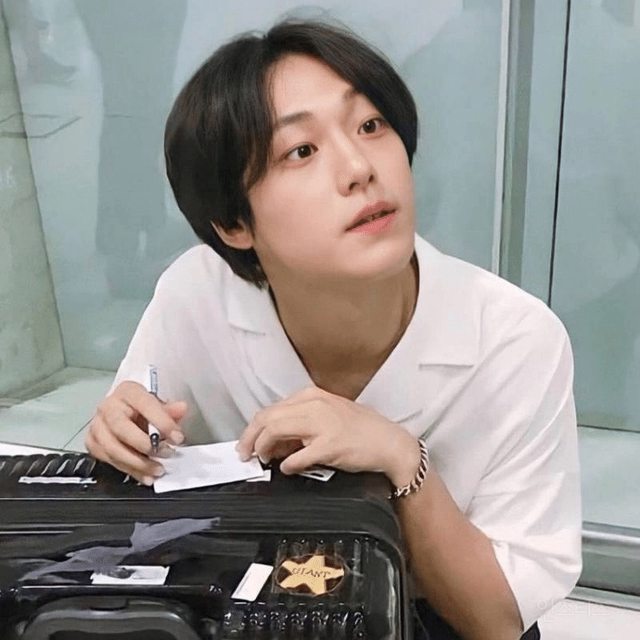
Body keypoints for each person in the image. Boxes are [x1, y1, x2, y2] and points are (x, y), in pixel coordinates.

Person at [86, 19, 582, 640]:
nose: (359, 167)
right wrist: (121, 436)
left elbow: (498, 622)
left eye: (370, 125)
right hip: (258, 602)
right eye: (301, 150)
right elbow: (145, 435)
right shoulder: (196, 293)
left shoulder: (517, 340)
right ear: (234, 224)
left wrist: (401, 461)